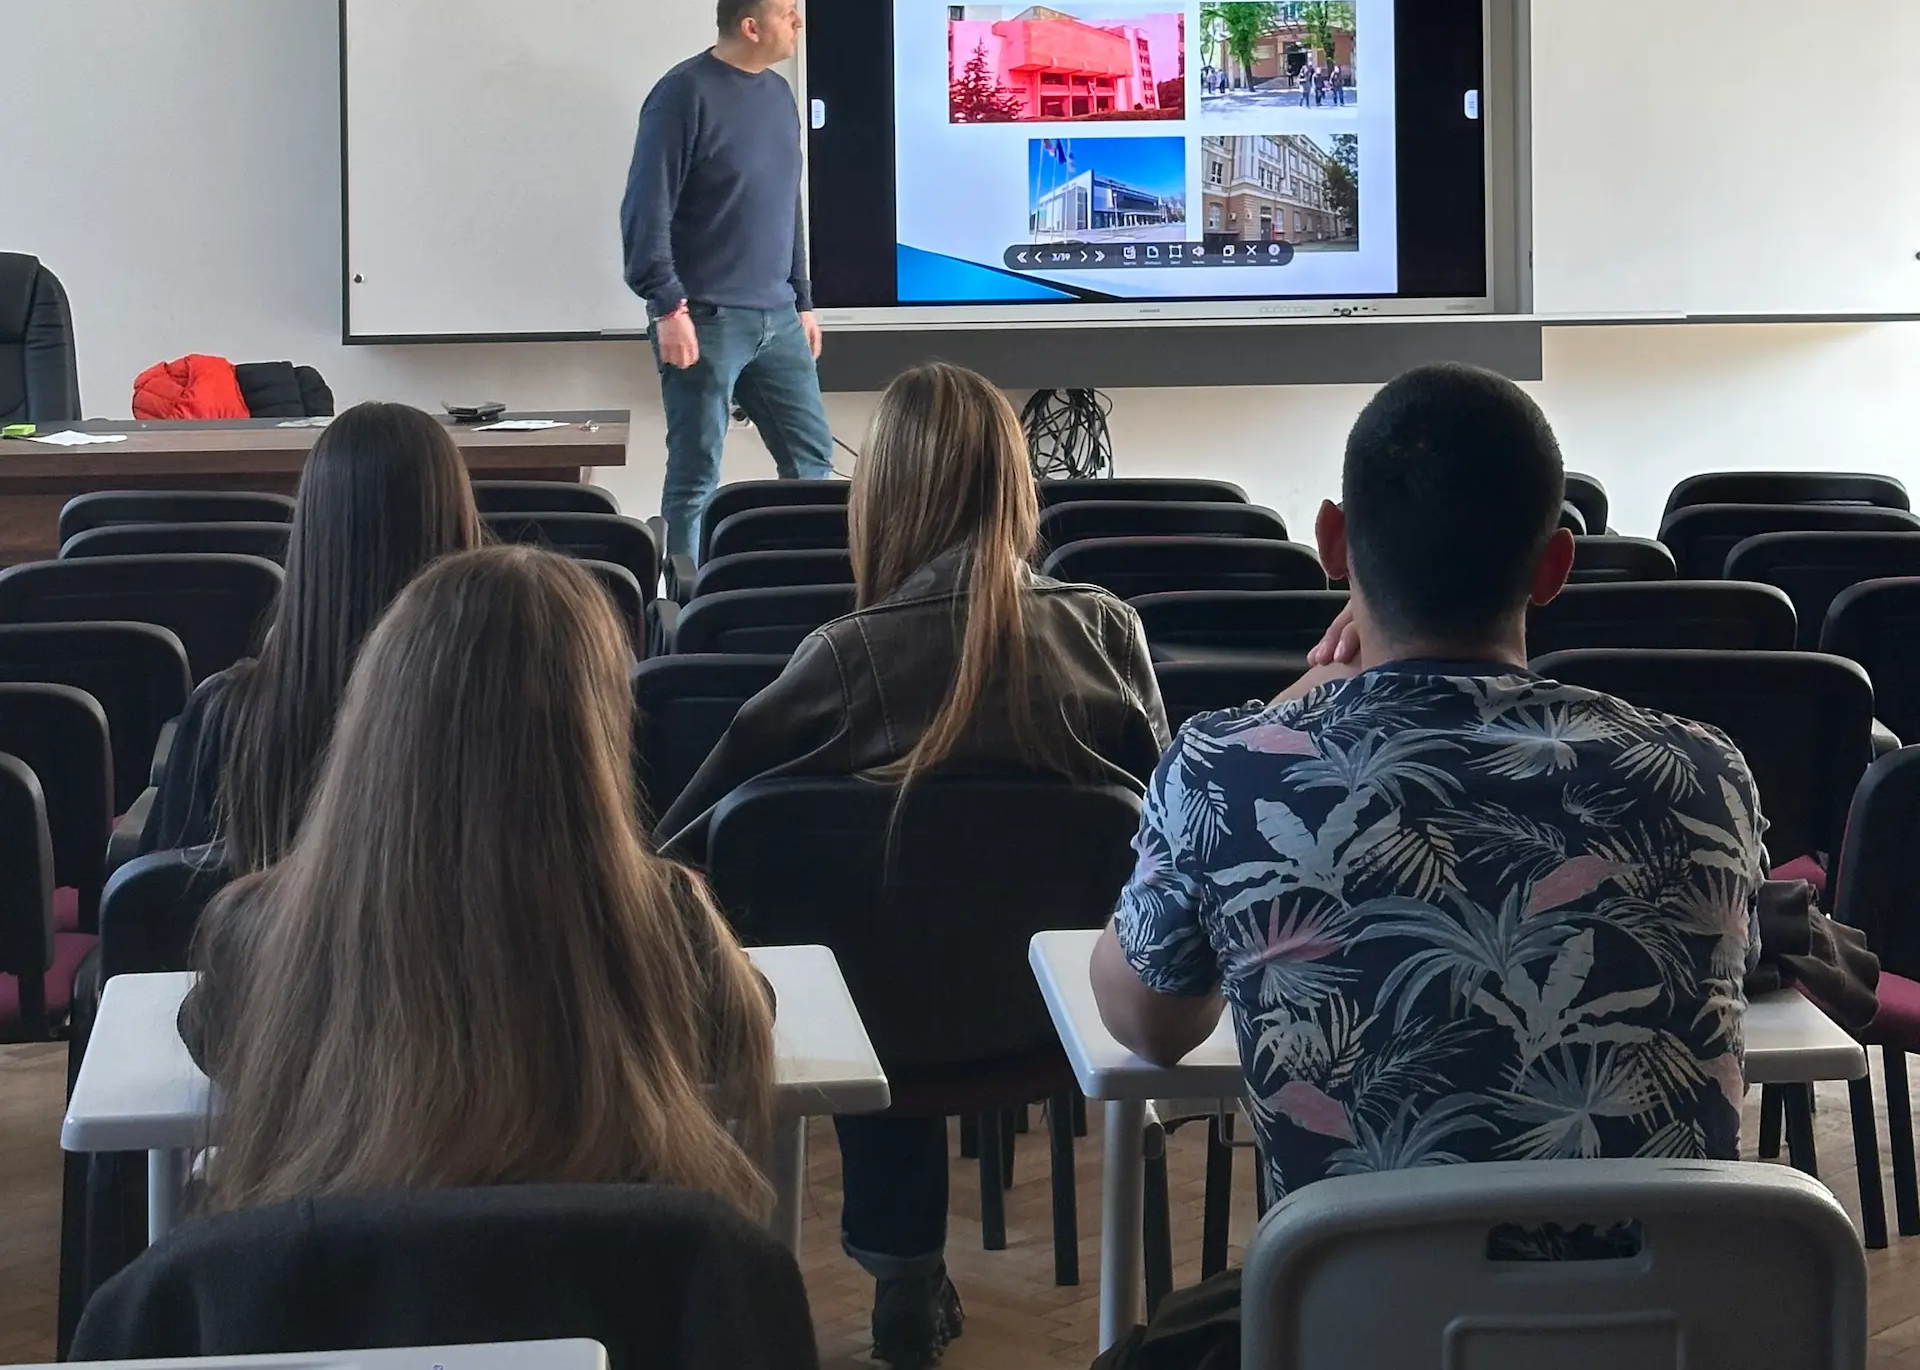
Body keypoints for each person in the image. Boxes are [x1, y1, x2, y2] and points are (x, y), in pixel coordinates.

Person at [1092, 364, 1764, 1207]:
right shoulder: (1707, 774)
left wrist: (1290, 712)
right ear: (1556, 564)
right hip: (1662, 1328)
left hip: (1360, 1325)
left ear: (1332, 543)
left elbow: (1147, 1026)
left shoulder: (1229, 771)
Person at [659, 362, 1168, 1369]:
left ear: (884, 494)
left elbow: (686, 842)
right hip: (1066, 1021)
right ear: (1016, 486)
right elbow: (1171, 835)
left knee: (856, 930)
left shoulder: (845, 656)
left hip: (874, 1037)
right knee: (895, 925)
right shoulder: (1106, 630)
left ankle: (898, 1266)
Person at [184, 547, 775, 1219]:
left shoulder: (255, 934)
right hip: (612, 1311)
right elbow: (743, 1030)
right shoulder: (670, 926)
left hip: (344, 1317)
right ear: (597, 727)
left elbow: (210, 1045)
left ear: (374, 714)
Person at [146, 400, 483, 867]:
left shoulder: (227, 718)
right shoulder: (517, 715)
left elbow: (156, 906)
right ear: (460, 530)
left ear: (311, 535)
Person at [620, 0, 834, 573]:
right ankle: (688, 608)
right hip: (705, 316)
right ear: (750, 24)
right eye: (787, 11)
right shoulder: (682, 94)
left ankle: (806, 587)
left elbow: (784, 202)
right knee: (696, 474)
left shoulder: (778, 94)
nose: (799, 22)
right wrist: (666, 304)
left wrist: (803, 298)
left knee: (811, 463)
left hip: (778, 316)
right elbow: (645, 206)